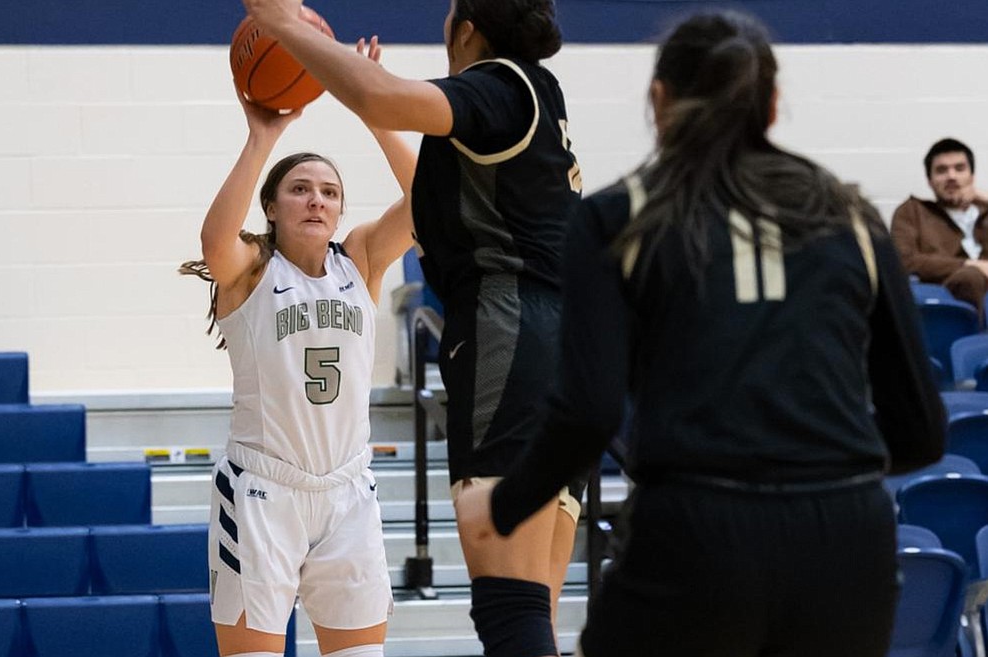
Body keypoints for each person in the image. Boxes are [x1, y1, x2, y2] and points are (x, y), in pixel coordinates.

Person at [456, 11, 946, 657]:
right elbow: (922, 430)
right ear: (771, 106)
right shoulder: (854, 216)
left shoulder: (617, 214)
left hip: (696, 524)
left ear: (658, 100)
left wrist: (507, 503)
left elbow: (589, 411)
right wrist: (817, 466)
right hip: (847, 534)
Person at [239, 2, 584, 656]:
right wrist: (380, 118)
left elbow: (376, 95)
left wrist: (281, 21)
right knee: (532, 606)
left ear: (467, 31)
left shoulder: (500, 84)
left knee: (510, 605)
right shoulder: (529, 105)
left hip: (511, 337)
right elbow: (420, 186)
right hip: (566, 348)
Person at [181, 39, 416, 657]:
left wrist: (375, 111)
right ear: (273, 207)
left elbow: (431, 203)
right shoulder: (250, 272)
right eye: (301, 189)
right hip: (262, 492)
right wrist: (262, 137)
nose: (317, 199)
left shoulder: (360, 260)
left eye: (330, 192)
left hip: (347, 493)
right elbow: (214, 240)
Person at [891, 138, 988, 312]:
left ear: (972, 176)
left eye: (959, 168)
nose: (951, 176)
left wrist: (984, 197)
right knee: (970, 277)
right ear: (930, 180)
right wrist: (971, 264)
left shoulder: (984, 210)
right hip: (948, 293)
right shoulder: (913, 212)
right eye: (942, 170)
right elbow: (903, 260)